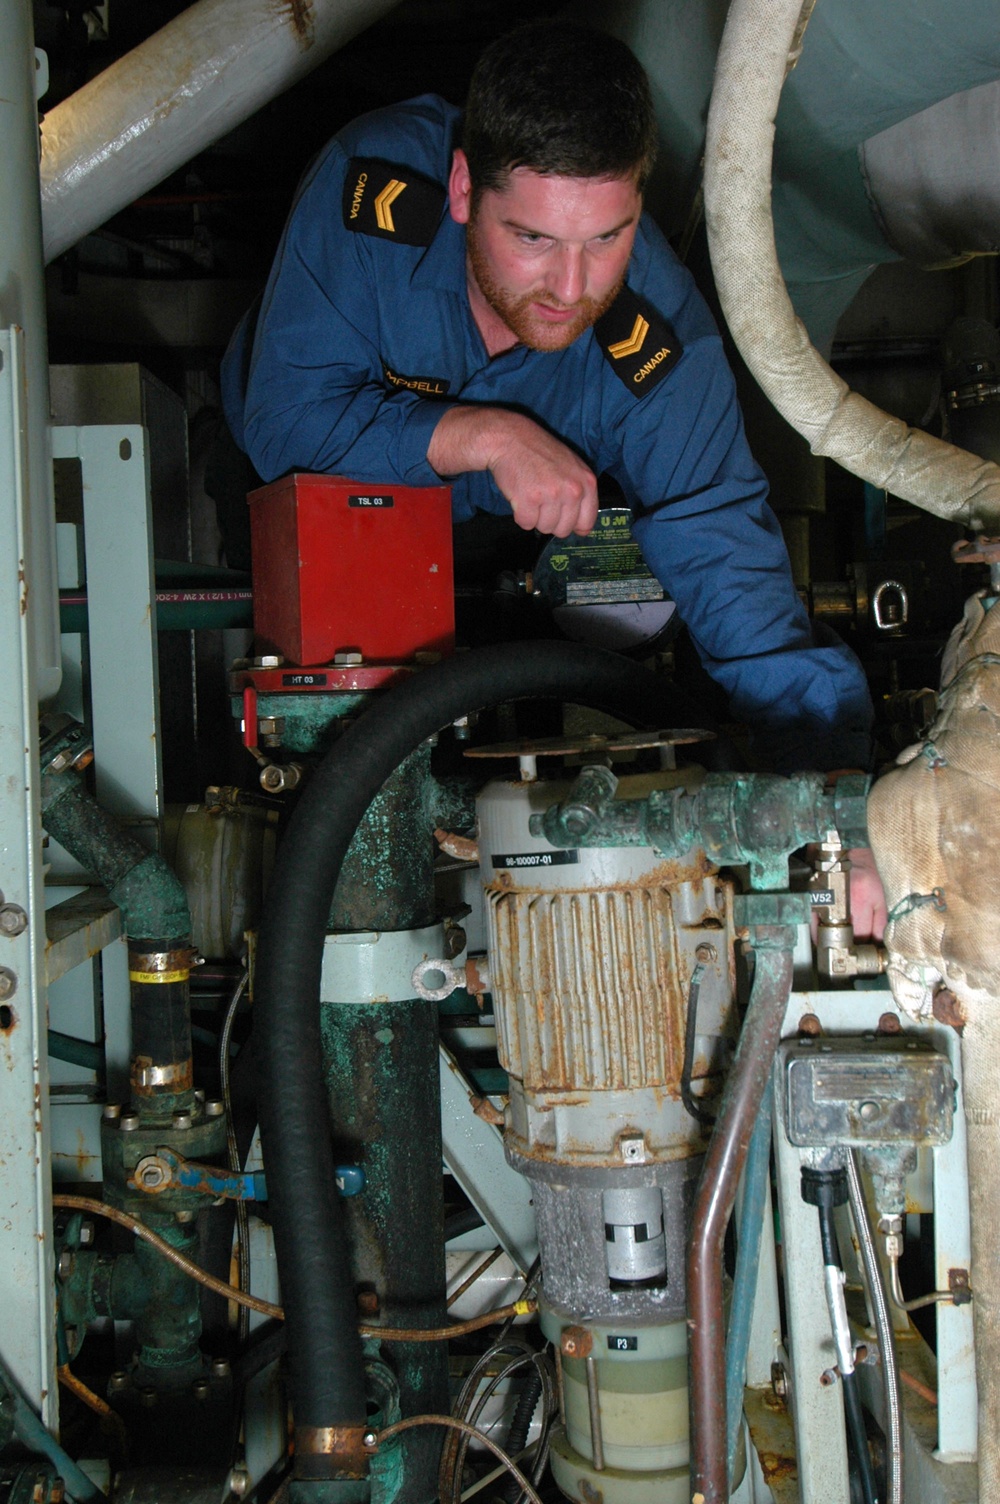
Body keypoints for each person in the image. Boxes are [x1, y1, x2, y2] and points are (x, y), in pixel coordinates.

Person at [219, 19, 885, 936]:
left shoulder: (656, 337)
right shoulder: (370, 197)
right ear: (462, 190)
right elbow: (281, 425)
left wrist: (836, 797)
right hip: (299, 481)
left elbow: (720, 537)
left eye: (606, 239)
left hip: (486, 529)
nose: (571, 286)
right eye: (531, 238)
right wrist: (478, 434)